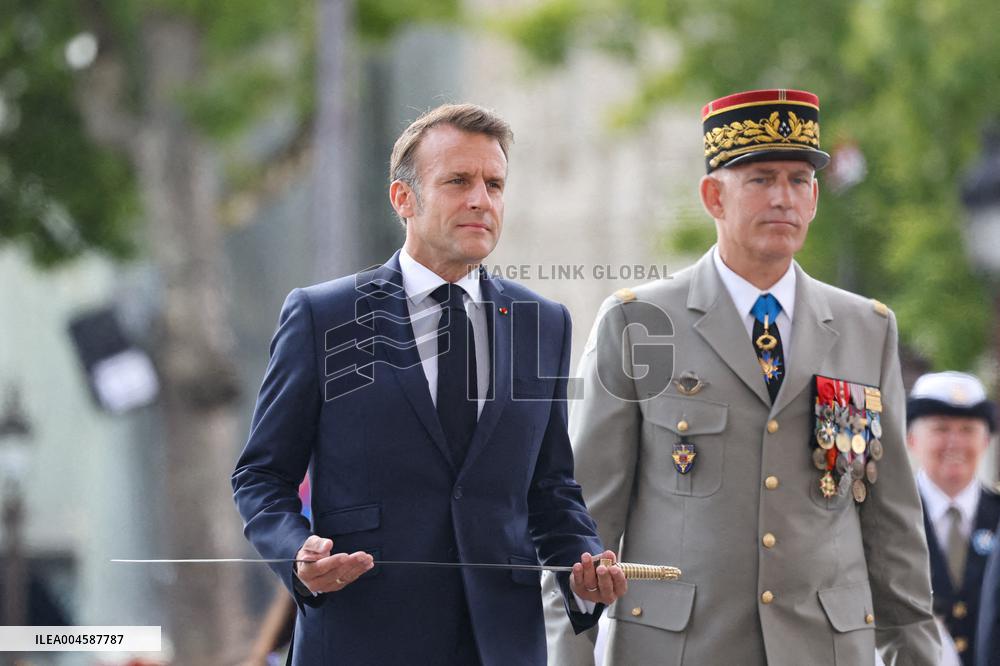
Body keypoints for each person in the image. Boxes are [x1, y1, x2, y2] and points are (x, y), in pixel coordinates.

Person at [544, 88, 940, 665]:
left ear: (814, 199)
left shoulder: (865, 329)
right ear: (713, 195)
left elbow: (894, 532)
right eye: (761, 179)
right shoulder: (640, 323)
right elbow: (580, 532)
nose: (784, 198)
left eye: (799, 181)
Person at [232, 103, 625, 666]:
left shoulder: (544, 323)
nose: (480, 200)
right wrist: (297, 554)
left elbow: (550, 488)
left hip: (501, 646)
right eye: (458, 181)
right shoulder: (326, 316)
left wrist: (583, 566)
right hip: (361, 639)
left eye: (494, 184)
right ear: (403, 199)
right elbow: (261, 476)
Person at [906, 371, 998, 665]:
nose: (955, 443)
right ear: (911, 439)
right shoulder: (887, 518)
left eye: (968, 429)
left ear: (986, 441)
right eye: (941, 429)